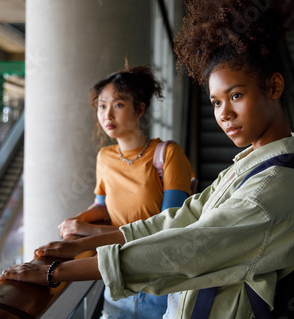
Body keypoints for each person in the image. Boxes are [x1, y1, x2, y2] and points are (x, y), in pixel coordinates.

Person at [0, 0, 294, 318]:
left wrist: (56, 272)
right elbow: (181, 218)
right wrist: (81, 243)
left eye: (236, 95)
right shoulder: (248, 169)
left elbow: (185, 249)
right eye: (216, 102)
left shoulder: (275, 187)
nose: (223, 113)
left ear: (275, 87)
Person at [57, 64, 194, 318]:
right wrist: (77, 221)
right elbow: (101, 206)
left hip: (160, 285)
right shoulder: (105, 157)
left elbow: (167, 226)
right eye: (102, 105)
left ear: (139, 109)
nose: (107, 115)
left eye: (118, 105)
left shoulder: (167, 154)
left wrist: (89, 232)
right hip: (117, 280)